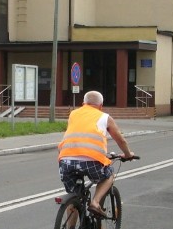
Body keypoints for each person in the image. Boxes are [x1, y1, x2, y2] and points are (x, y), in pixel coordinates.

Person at [58, 90, 136, 219]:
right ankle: (95, 202)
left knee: (74, 196)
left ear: (83, 103)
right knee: (108, 176)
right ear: (101, 106)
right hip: (92, 160)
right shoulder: (104, 117)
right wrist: (128, 154)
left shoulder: (73, 114)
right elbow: (120, 140)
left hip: (65, 161)